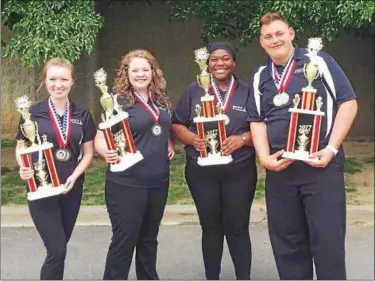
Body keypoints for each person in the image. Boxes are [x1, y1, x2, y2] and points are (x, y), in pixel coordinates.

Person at [247, 12, 358, 280]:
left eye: (279, 33)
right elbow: (257, 120)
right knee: (287, 244)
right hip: (281, 169)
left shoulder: (319, 61)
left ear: (291, 33)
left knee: (327, 241)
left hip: (320, 168)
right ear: (261, 42)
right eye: (268, 36)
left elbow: (348, 102)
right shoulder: (261, 75)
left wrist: (331, 148)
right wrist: (264, 158)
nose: (275, 40)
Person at [172, 42, 257, 280]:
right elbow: (177, 123)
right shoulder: (193, 91)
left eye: (226, 58)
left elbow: (261, 127)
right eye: (214, 59)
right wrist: (191, 138)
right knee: (210, 228)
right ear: (207, 64)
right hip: (202, 171)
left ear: (234, 63)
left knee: (238, 227)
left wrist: (242, 139)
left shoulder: (248, 91)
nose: (220, 63)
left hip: (239, 169)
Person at [94, 49, 175, 280]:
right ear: (126, 73)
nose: (140, 74)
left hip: (158, 181)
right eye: (135, 70)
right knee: (124, 240)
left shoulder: (161, 99)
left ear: (153, 72)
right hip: (127, 183)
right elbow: (101, 136)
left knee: (149, 239)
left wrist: (167, 140)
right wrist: (104, 151)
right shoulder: (117, 101)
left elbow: (159, 125)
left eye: (145, 69)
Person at [15, 57, 97, 279]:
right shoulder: (31, 113)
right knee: (57, 250)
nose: (58, 84)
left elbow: (88, 152)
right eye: (52, 79)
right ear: (44, 81)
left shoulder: (83, 114)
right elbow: (20, 147)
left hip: (71, 189)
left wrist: (76, 175)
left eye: (64, 79)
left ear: (72, 82)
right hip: (42, 189)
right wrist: (24, 168)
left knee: (59, 250)